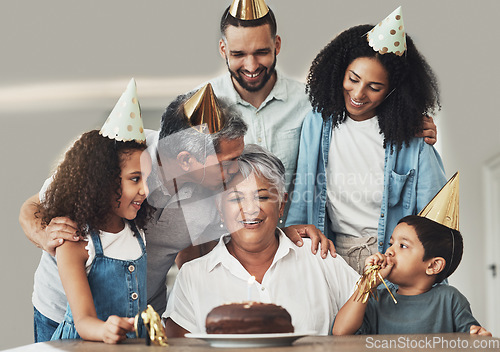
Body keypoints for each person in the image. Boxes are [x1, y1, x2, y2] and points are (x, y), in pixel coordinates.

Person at [19, 83, 334, 342]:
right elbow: (33, 206)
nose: (236, 170)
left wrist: (279, 234)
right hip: (64, 312)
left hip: (141, 317)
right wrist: (47, 234)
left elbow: (202, 249)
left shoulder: (215, 188)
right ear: (186, 161)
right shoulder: (122, 159)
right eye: (227, 163)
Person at [209, 0, 438, 221]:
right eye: (238, 54)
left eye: (261, 52)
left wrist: (415, 123)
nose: (251, 65)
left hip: (296, 246)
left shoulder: (315, 103)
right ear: (223, 49)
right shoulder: (199, 107)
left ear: (277, 45)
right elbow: (181, 182)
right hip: (224, 245)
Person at [286, 8, 447, 274]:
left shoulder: (412, 134)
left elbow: (435, 217)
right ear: (340, 72)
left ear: (393, 91)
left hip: (393, 261)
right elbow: (304, 191)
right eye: (353, 79)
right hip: (332, 257)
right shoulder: (318, 122)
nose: (358, 94)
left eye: (374, 87)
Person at [163, 144, 359, 336]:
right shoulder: (193, 275)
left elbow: (364, 307)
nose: (251, 209)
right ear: (219, 208)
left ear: (281, 205)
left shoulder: (318, 255)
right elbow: (179, 346)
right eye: (235, 199)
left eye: (262, 197)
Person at [40, 79, 153, 343]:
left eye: (147, 178)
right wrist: (105, 330)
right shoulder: (76, 242)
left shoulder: (137, 234)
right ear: (103, 181)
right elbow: (83, 321)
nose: (145, 190)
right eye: (135, 179)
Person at [332, 215, 491, 336]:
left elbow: (472, 338)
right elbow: (340, 332)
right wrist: (367, 284)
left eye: (402, 245)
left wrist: (479, 337)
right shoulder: (376, 299)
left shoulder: (450, 299)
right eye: (391, 243)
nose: (389, 251)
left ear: (433, 265)